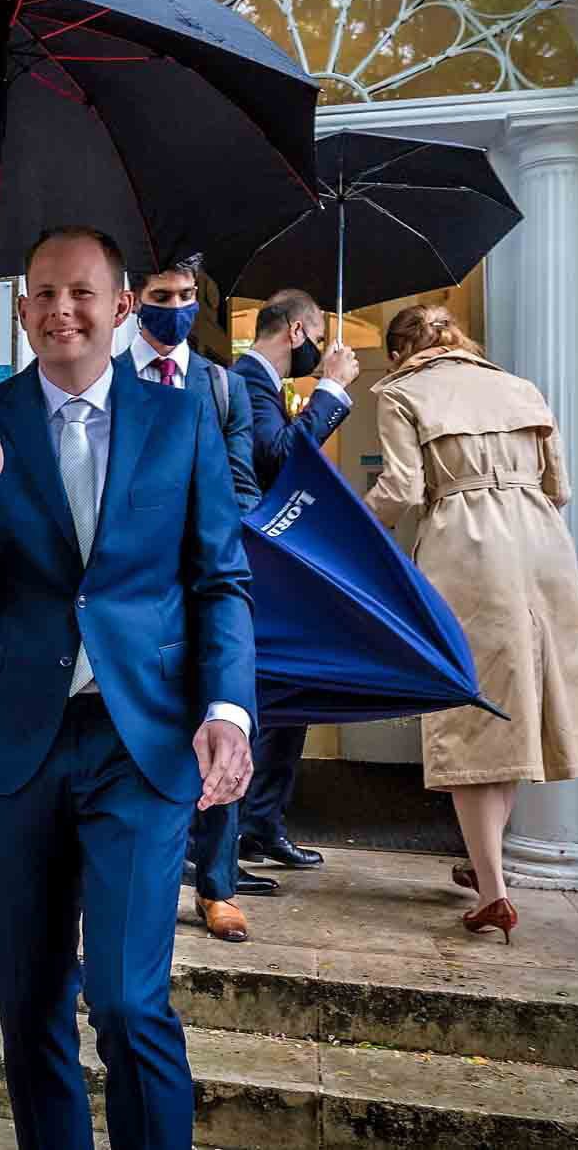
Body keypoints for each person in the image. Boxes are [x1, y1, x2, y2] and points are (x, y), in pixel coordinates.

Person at [0, 226, 255, 1149]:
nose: (60, 309)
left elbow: (218, 576)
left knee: (125, 998)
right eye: (41, 294)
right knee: (28, 1001)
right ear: (22, 311)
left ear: (120, 306)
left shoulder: (182, 417)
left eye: (81, 293)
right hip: (15, 743)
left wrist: (228, 707)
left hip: (138, 741)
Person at [363, 305, 578, 944]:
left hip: (466, 545)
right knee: (519, 705)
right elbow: (561, 488)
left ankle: (494, 891)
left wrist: (354, 528)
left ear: (397, 353)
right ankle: (483, 867)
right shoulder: (521, 388)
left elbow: (403, 491)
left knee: (471, 715)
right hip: (541, 543)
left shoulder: (400, 392)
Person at [116, 252, 275, 946]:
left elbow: (241, 482)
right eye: (162, 293)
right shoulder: (112, 376)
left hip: (202, 575)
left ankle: (217, 885)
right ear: (134, 299)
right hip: (139, 582)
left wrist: (215, 534)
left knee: (222, 717)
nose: (175, 306)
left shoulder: (221, 385)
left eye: (185, 294)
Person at [232, 288, 359, 871]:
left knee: (291, 689)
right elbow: (277, 457)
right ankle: (231, 830)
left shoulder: (267, 387)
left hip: (277, 563)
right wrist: (330, 388)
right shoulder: (244, 380)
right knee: (259, 693)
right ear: (299, 333)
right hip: (249, 562)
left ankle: (262, 822)